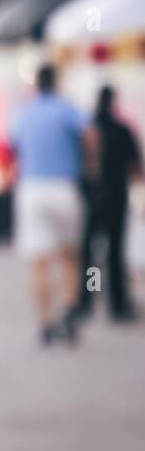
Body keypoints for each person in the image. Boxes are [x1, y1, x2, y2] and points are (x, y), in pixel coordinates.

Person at [9, 63, 96, 346]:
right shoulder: (67, 109)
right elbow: (90, 135)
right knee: (70, 255)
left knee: (39, 262)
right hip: (64, 186)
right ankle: (70, 311)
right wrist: (90, 166)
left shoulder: (25, 112)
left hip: (32, 188)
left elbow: (14, 145)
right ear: (56, 82)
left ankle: (46, 323)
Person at [76, 85, 142, 322]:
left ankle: (89, 297)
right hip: (116, 198)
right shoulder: (123, 130)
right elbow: (135, 167)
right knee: (115, 253)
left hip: (92, 198)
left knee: (91, 252)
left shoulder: (88, 129)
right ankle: (116, 302)